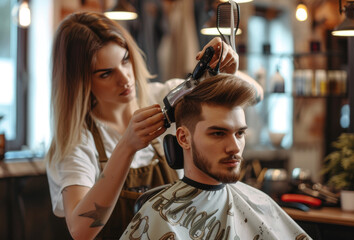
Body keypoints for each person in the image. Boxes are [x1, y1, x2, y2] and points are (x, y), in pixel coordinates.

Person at [45, 11, 251, 240]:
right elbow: (80, 230)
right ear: (81, 83)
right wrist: (126, 146)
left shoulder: (166, 99)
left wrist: (228, 71)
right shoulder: (78, 141)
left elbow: (257, 93)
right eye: (106, 74)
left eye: (125, 60)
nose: (124, 78)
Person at [120, 73, 311, 240]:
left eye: (240, 133)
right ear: (184, 138)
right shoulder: (159, 216)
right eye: (218, 134)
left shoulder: (259, 202)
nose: (234, 147)